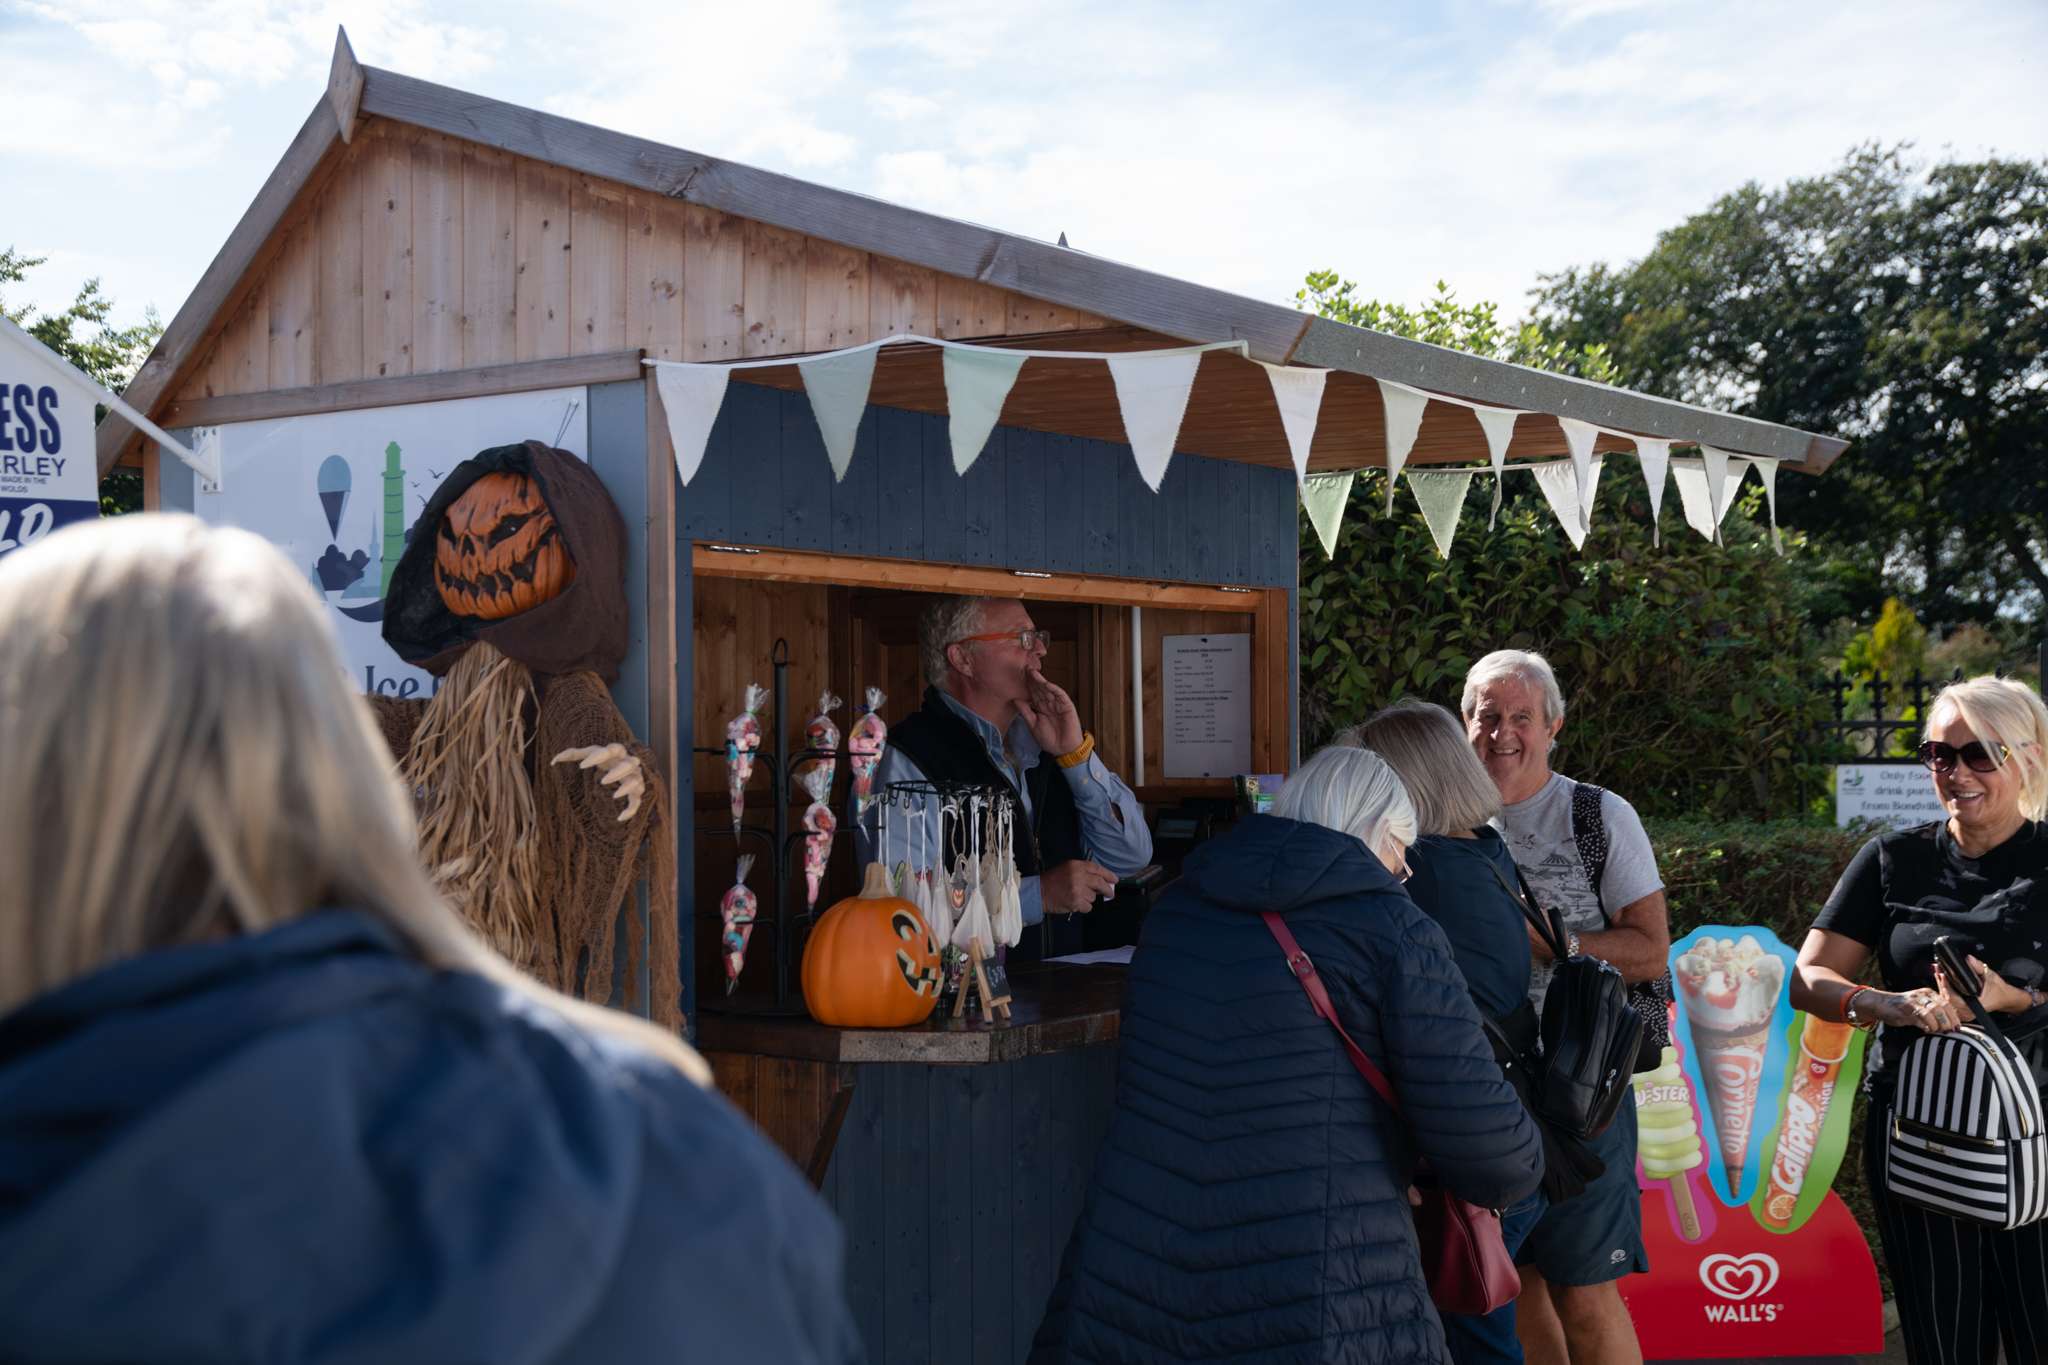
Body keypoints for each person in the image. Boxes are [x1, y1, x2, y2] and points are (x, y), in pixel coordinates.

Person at [0, 516, 861, 1364]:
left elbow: (593, 764)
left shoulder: (51, 1201)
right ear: (341, 770)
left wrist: (626, 776)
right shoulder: (671, 1140)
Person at [1032, 746, 1543, 1363]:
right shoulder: (1395, 930)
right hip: (1318, 1283)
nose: (1403, 872)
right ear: (1374, 833)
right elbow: (1495, 1156)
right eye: (1400, 852)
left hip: (1135, 1267)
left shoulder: (1175, 914)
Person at [1789, 676, 2048, 1365]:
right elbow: (1807, 976)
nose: (1955, 771)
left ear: (2027, 756)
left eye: (1978, 753)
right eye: (1938, 753)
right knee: (1941, 1334)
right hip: (1919, 1128)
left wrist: (2013, 999)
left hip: (2037, 1130)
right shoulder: (1893, 858)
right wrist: (1882, 1002)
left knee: (2040, 1322)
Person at [1462, 649, 1668, 1365]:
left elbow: (1651, 949)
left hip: (1582, 1094)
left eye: (1522, 717)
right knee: (1512, 1285)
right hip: (1482, 1090)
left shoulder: (1595, 812)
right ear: (1465, 723)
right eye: (1488, 716)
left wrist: (1553, 942)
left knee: (1584, 1290)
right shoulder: (1438, 819)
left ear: (1554, 726)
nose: (1503, 733)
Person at [1350, 699, 1560, 1365]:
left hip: (1469, 1154)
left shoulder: (1423, 872)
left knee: (1470, 1344)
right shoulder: (1485, 850)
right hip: (1514, 1128)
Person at [856, 595, 1152, 949]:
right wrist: (1036, 895)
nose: (1040, 649)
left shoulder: (1049, 745)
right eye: (1023, 638)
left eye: (1039, 636)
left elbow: (1131, 857)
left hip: (1063, 992)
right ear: (963, 658)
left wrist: (1074, 755)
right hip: (964, 998)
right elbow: (904, 905)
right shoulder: (907, 756)